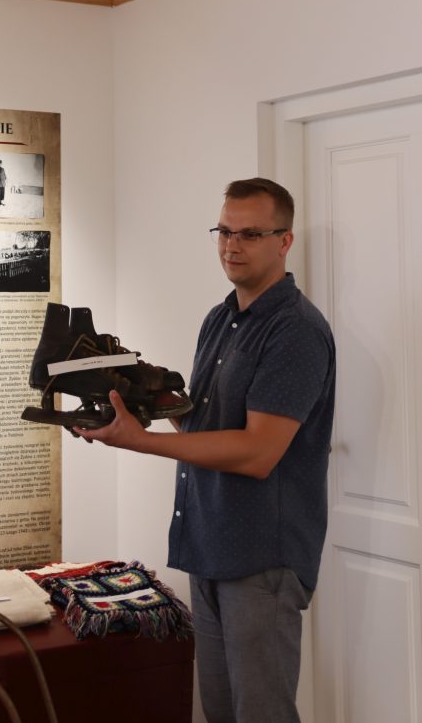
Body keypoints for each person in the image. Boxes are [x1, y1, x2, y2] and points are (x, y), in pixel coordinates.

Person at [77, 178, 335, 723]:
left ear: (284, 241)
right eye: (223, 231)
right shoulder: (220, 318)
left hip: (262, 557)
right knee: (218, 711)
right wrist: (130, 396)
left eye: (249, 234)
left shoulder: (295, 331)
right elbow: (200, 422)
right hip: (209, 541)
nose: (231, 246)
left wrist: (140, 441)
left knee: (261, 714)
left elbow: (259, 452)